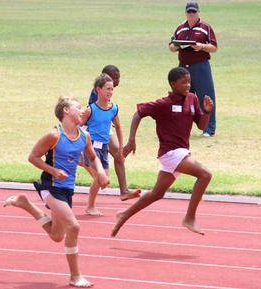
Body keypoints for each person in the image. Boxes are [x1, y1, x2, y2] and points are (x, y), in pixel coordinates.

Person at [4, 97, 109, 288]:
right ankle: (75, 276)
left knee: (56, 235)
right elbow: (33, 157)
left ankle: (25, 204)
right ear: (66, 111)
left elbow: (93, 158)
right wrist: (53, 171)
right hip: (50, 186)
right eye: (78, 107)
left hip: (67, 189)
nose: (83, 110)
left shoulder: (83, 136)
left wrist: (100, 173)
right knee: (74, 227)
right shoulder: (54, 135)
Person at [111, 67, 213, 238]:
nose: (188, 85)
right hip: (171, 153)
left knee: (157, 194)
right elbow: (138, 113)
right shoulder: (164, 104)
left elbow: (202, 126)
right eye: (184, 82)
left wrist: (207, 112)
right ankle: (189, 217)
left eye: (189, 81)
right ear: (173, 84)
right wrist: (131, 140)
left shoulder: (192, 99)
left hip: (181, 152)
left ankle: (124, 214)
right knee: (205, 175)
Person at [86, 65, 141, 201]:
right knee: (117, 155)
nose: (117, 81)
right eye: (114, 78)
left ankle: (123, 191)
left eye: (118, 78)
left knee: (119, 155)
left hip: (105, 127)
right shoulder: (97, 94)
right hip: (95, 130)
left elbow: (116, 121)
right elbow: (94, 117)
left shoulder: (106, 91)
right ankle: (119, 190)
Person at [169, 1, 217, 137]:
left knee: (206, 95)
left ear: (198, 13)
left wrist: (201, 46)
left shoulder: (205, 27)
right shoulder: (180, 28)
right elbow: (171, 46)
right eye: (189, 12)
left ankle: (209, 128)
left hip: (200, 66)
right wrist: (177, 46)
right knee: (181, 97)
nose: (191, 14)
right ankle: (181, 127)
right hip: (183, 67)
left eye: (194, 12)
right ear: (186, 13)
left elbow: (214, 47)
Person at [82, 73, 126, 215]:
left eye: (112, 89)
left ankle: (91, 205)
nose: (110, 92)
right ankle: (90, 206)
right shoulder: (91, 110)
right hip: (91, 147)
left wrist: (120, 148)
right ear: (98, 90)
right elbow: (78, 126)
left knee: (104, 181)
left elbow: (118, 127)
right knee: (99, 178)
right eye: (107, 88)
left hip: (104, 147)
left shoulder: (114, 109)